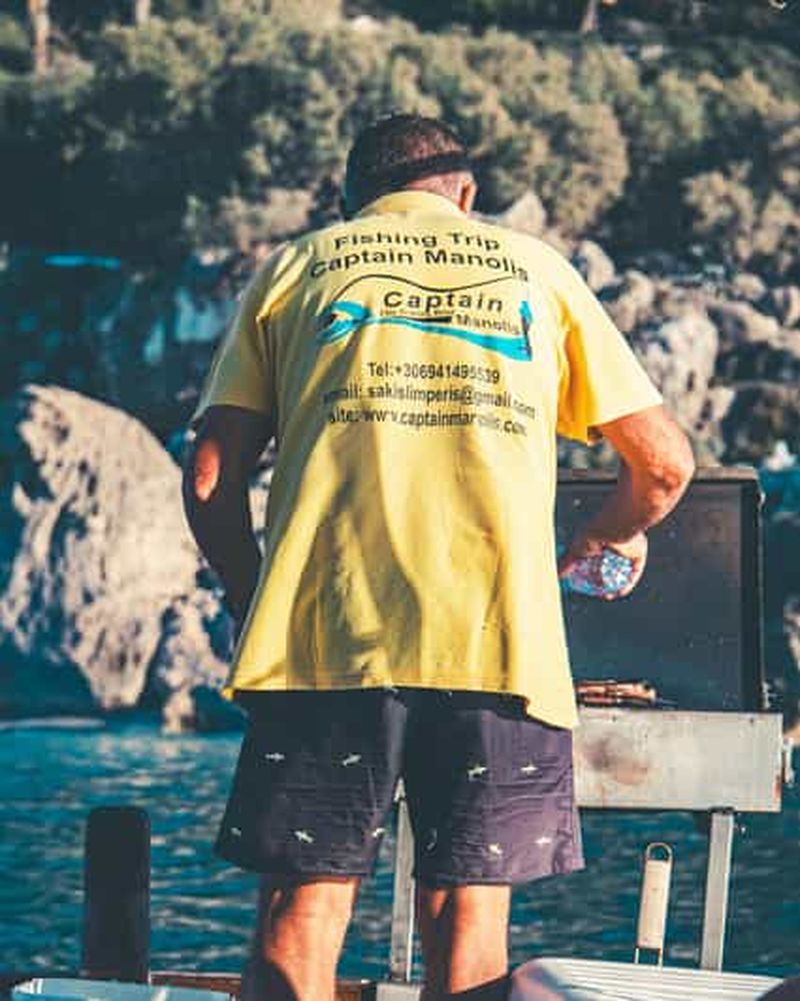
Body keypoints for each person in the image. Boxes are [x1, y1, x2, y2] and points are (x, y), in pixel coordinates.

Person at [182, 114, 695, 1001]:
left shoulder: (302, 266)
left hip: (327, 636)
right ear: (465, 196)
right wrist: (606, 536)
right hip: (499, 641)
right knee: (467, 916)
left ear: (357, 199)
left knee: (300, 918)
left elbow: (208, 480)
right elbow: (665, 464)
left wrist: (245, 589)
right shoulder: (538, 269)